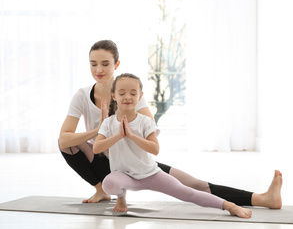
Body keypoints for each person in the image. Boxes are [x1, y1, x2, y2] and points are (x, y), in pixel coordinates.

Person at [58, 40, 282, 208]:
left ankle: (262, 198)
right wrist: (99, 130)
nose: (99, 69)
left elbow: (149, 131)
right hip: (105, 162)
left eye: (105, 64)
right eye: (93, 64)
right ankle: (101, 190)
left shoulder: (130, 93)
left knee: (194, 184)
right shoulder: (82, 96)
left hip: (137, 161)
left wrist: (122, 121)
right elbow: (64, 138)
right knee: (66, 144)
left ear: (116, 64)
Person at [93, 73, 252, 218]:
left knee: (186, 192)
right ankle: (121, 198)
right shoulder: (108, 123)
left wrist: (132, 136)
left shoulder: (145, 121)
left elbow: (155, 149)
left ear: (140, 96)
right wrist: (119, 135)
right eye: (122, 93)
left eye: (133, 93)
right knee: (109, 184)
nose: (127, 97)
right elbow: (97, 148)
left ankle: (228, 205)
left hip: (150, 174)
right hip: (124, 176)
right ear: (114, 95)